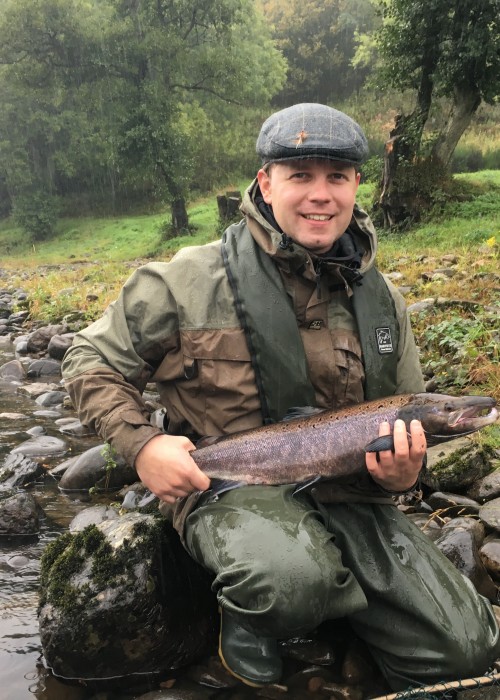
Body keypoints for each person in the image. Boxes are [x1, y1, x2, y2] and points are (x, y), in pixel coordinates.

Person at [62, 103, 500, 692]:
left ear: (355, 186)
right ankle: (253, 612)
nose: (320, 195)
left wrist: (403, 477)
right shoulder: (184, 282)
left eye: (336, 177)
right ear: (265, 183)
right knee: (290, 580)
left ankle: (337, 622)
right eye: (301, 175)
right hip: (226, 486)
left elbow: (409, 416)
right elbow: (88, 361)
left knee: (464, 651)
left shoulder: (383, 302)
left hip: (351, 498)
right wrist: (143, 448)